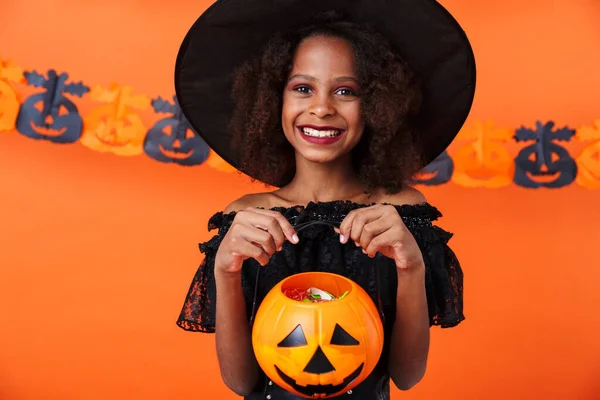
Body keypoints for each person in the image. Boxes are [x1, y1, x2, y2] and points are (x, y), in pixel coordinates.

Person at [174, 1, 475, 399]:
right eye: (302, 88)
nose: (321, 108)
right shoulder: (246, 217)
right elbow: (240, 382)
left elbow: (407, 374)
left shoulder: (400, 214)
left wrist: (411, 265)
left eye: (345, 91)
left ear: (376, 107)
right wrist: (226, 271)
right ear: (272, 100)